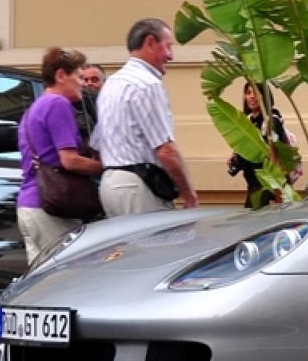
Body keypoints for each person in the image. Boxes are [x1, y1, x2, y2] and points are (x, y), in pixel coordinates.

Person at [92, 18, 199, 215]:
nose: (171, 56)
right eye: (168, 47)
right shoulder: (147, 84)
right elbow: (166, 151)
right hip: (139, 187)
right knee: (155, 245)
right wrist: (188, 192)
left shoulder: (111, 84)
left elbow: (98, 145)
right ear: (150, 42)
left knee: (124, 246)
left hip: (110, 186)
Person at [17, 47, 103, 262]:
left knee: (41, 284)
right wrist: (109, 167)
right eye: (79, 77)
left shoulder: (33, 109)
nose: (83, 84)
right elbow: (70, 160)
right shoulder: (58, 104)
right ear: (61, 75)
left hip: (29, 206)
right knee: (68, 277)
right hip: (52, 210)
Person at [228, 81, 290, 208]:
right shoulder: (247, 122)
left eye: (256, 93)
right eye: (248, 93)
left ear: (264, 96)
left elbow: (274, 154)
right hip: (253, 184)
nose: (251, 96)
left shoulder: (271, 121)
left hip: (268, 184)